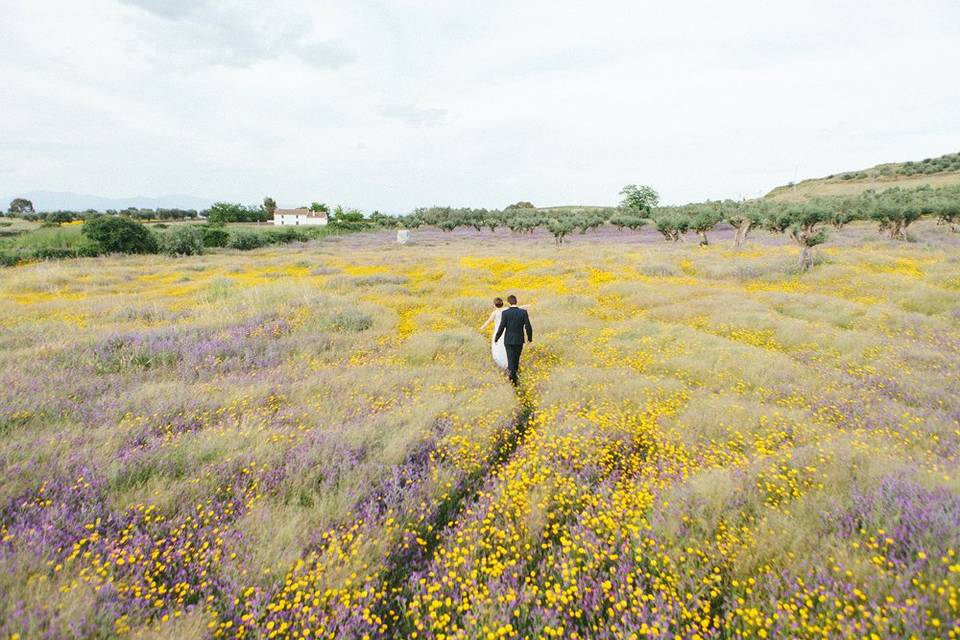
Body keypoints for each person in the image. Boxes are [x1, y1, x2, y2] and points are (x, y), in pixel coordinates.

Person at [494, 295, 533, 385]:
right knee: (516, 358)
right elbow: (528, 326)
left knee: (510, 358)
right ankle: (514, 375)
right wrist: (529, 338)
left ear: (508, 302)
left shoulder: (506, 313)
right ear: (516, 301)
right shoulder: (523, 312)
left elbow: (501, 327)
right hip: (519, 340)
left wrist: (497, 338)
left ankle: (513, 377)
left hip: (508, 340)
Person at [479, 297, 509, 369]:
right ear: (502, 304)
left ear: (494, 305)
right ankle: (508, 363)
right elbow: (516, 308)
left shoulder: (495, 313)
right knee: (506, 347)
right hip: (506, 331)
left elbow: (488, 321)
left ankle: (501, 364)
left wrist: (481, 328)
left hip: (498, 332)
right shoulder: (506, 310)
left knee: (498, 347)